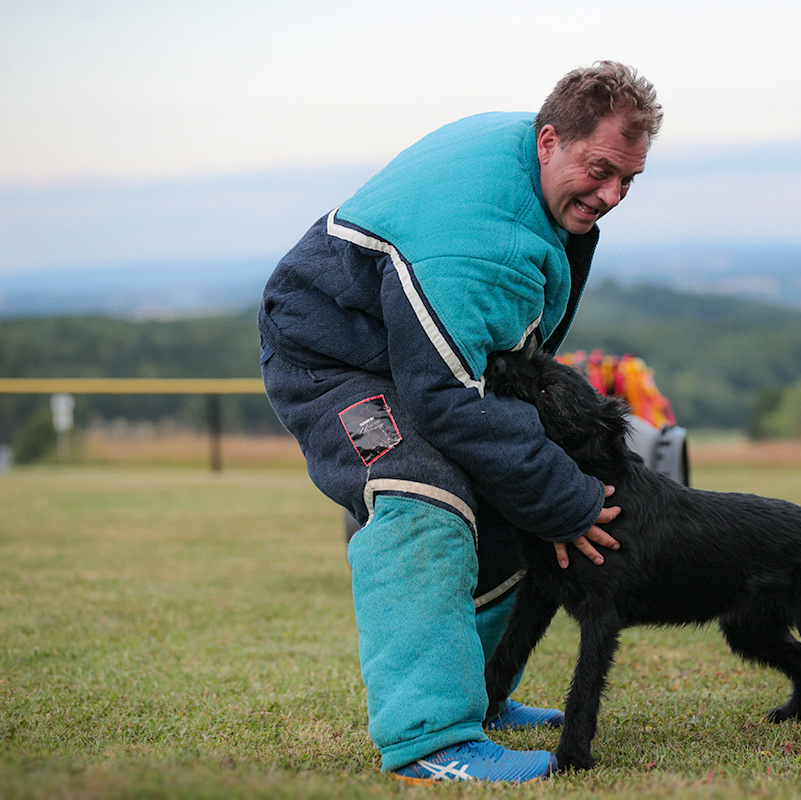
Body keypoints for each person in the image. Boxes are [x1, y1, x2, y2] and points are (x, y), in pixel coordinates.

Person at [258, 62, 662, 783]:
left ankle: (478, 696)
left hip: (405, 348)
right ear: (549, 140)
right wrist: (569, 501)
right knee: (422, 487)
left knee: (510, 493)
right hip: (330, 355)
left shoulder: (527, 165)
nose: (611, 195)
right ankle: (430, 739)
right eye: (600, 170)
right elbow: (445, 400)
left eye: (627, 180)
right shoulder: (482, 240)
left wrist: (539, 489)